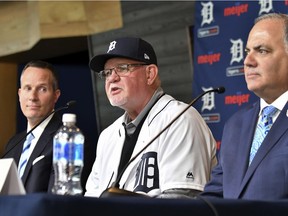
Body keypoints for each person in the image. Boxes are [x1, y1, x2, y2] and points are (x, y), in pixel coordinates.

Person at [85, 37, 217, 198]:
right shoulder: (107, 136)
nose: (112, 78)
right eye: (107, 73)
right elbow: (91, 199)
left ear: (150, 74)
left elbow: (183, 201)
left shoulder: (180, 119)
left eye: (123, 68)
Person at [201, 13, 288, 200]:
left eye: (262, 50)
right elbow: (215, 194)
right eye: (248, 51)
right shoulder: (235, 124)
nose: (248, 61)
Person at [1, 60, 62, 193]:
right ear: (19, 94)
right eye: (28, 88)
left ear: (55, 96)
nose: (33, 97)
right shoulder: (13, 143)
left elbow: (59, 201)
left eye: (42, 89)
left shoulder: (66, 140)